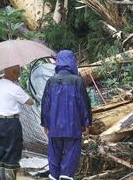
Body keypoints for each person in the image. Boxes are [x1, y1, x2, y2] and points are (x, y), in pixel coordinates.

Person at [41, 50, 92, 180]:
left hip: (54, 126)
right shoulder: (77, 81)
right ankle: (66, 176)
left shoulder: (51, 81)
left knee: (54, 153)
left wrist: (45, 123)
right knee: (71, 154)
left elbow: (45, 104)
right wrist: (86, 123)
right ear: (72, 62)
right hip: (73, 125)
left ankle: (53, 176)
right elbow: (83, 103)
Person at [0, 65, 34, 180]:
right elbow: (30, 102)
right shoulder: (14, 88)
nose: (19, 74)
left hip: (0, 122)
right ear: (14, 72)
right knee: (13, 152)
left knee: (2, 150)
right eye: (19, 71)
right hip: (11, 123)